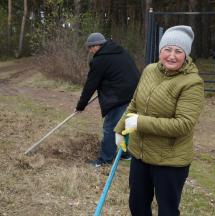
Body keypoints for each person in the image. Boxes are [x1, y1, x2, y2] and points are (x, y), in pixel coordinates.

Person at [114, 25, 205, 216]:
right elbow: (134, 103)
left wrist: (140, 123)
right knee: (137, 206)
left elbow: (183, 124)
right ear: (160, 51)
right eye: (167, 49)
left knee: (167, 211)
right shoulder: (149, 70)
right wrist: (119, 129)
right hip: (140, 155)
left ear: (186, 54)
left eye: (178, 51)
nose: (171, 56)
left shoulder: (192, 83)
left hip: (170, 161)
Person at [75, 32, 140, 167]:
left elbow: (91, 84)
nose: (90, 50)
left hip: (118, 96)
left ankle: (105, 159)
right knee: (125, 125)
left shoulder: (100, 60)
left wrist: (81, 105)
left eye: (90, 47)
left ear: (97, 45)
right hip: (134, 93)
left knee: (110, 127)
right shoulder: (120, 51)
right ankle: (125, 153)